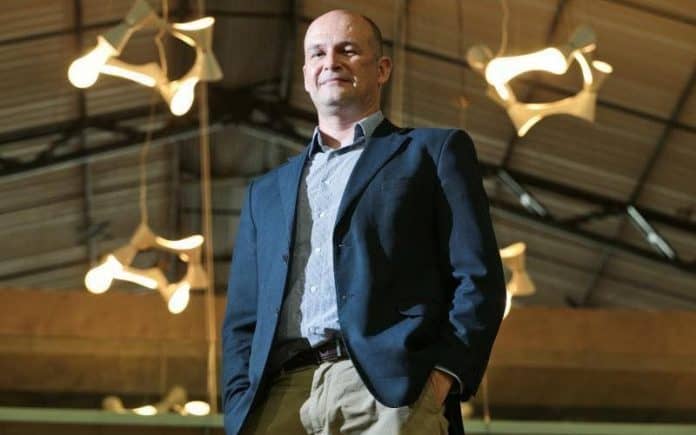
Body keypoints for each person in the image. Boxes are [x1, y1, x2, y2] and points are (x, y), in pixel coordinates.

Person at [222, 9, 506, 435]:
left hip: (387, 396)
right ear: (306, 75)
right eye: (317, 53)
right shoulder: (264, 191)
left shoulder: (432, 153)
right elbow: (243, 320)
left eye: (348, 50)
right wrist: (239, 405)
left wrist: (441, 379)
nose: (331, 62)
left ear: (382, 69)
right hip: (278, 400)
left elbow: (478, 278)